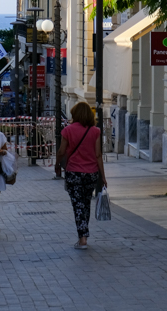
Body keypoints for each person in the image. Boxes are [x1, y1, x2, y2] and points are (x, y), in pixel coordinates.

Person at [55, 102, 107, 250]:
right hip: (91, 174)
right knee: (85, 204)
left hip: (74, 173)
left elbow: (61, 151)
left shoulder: (68, 130)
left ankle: (82, 238)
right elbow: (98, 155)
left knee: (77, 204)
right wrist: (103, 176)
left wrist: (57, 164)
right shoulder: (95, 131)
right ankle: (84, 235)